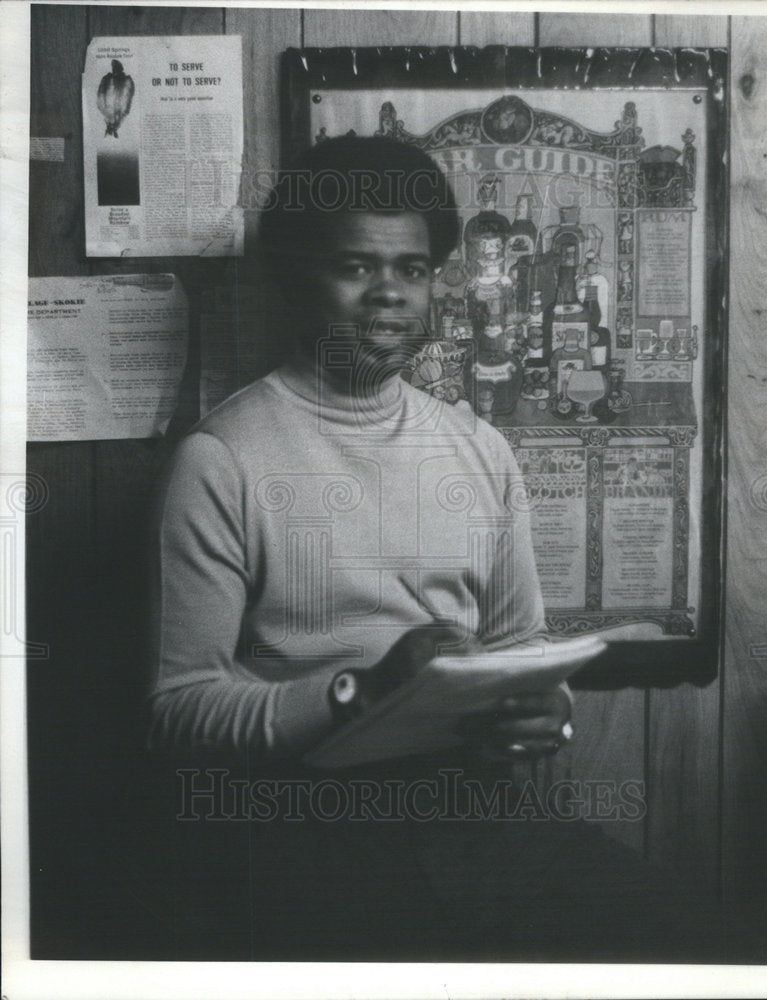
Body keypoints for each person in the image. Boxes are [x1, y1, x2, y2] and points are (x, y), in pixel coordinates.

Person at [146, 136, 718, 963]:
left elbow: (522, 649)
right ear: (299, 278)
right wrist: (361, 691)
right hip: (305, 826)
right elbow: (178, 712)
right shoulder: (220, 459)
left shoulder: (480, 449)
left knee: (689, 941)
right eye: (356, 266)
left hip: (479, 814)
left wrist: (549, 715)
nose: (389, 292)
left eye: (411, 269)